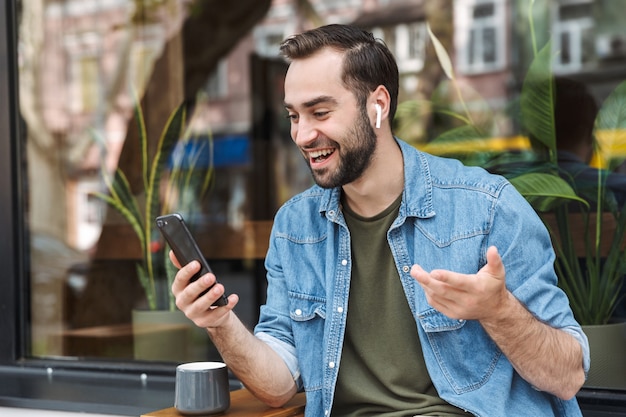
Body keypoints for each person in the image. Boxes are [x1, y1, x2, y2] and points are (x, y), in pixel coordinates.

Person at [171, 24, 589, 416]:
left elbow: (567, 376)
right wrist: (220, 321)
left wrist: (498, 311)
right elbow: (279, 385)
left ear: (378, 105)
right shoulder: (295, 226)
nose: (301, 135)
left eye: (319, 112)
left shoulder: (486, 207)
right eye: (294, 116)